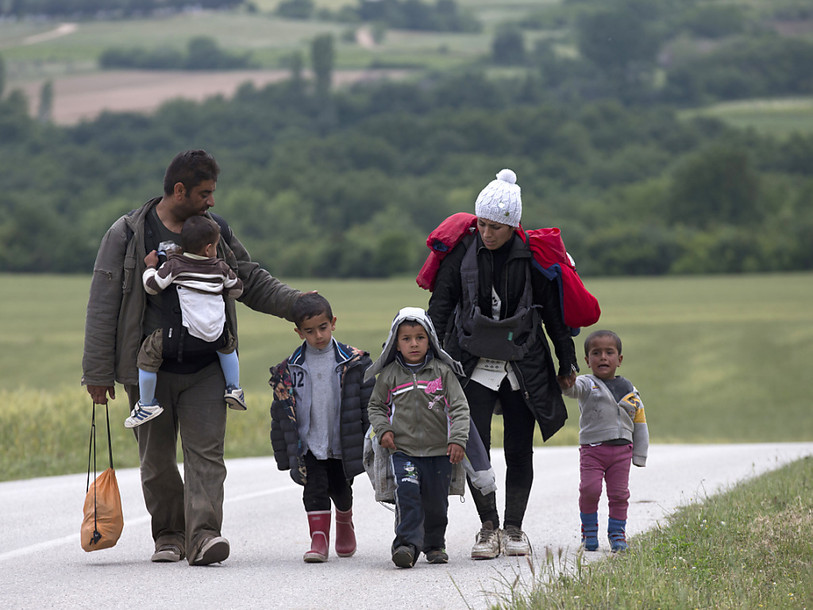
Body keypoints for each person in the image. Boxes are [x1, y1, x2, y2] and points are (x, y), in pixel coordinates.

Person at [82, 149, 304, 566]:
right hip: (149, 368)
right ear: (179, 190)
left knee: (206, 456)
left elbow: (249, 278)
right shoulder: (128, 233)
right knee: (157, 461)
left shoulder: (213, 230)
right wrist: (97, 372)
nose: (212, 202)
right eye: (205, 193)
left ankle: (204, 536)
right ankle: (169, 535)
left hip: (207, 368)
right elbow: (103, 303)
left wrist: (296, 305)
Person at [427, 168, 579, 559]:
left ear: (513, 225)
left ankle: (514, 528)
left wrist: (567, 362)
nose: (487, 233)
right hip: (470, 360)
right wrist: (430, 357)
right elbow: (441, 307)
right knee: (474, 447)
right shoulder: (461, 252)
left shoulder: (532, 256)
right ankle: (488, 527)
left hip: (522, 362)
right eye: (481, 224)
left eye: (496, 226)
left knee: (518, 449)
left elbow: (555, 317)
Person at [269, 293, 374, 563]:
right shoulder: (289, 369)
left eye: (323, 327)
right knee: (313, 489)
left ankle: (344, 521)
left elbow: (367, 404)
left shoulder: (353, 362)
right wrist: (284, 453)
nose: (318, 335)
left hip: (340, 441)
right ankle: (319, 539)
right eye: (309, 331)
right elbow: (280, 414)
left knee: (341, 488)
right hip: (308, 443)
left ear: (333, 323)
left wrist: (370, 437)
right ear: (298, 332)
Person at [365, 307, 470, 568]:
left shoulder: (442, 373)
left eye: (420, 337)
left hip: (439, 452)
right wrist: (384, 430)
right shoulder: (389, 375)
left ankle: (435, 545)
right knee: (408, 494)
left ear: (430, 339)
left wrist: (457, 439)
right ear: (395, 343)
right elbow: (376, 406)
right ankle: (405, 545)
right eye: (406, 338)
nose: (414, 344)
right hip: (404, 451)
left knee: (436, 502)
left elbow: (459, 407)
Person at [126, 215, 246, 429]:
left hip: (185, 333)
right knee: (229, 347)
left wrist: (151, 266)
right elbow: (237, 289)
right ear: (209, 248)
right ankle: (234, 388)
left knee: (148, 354)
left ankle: (146, 404)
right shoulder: (220, 267)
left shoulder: (175, 265)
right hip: (217, 333)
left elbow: (152, 286)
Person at [562, 329, 648, 553]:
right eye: (596, 353)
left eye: (609, 352)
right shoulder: (586, 383)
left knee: (619, 495)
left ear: (619, 360)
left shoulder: (630, 389)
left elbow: (640, 423)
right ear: (587, 360)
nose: (603, 357)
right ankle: (589, 531)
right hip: (593, 450)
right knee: (590, 490)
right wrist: (566, 381)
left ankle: (617, 533)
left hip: (622, 451)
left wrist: (639, 454)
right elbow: (572, 390)